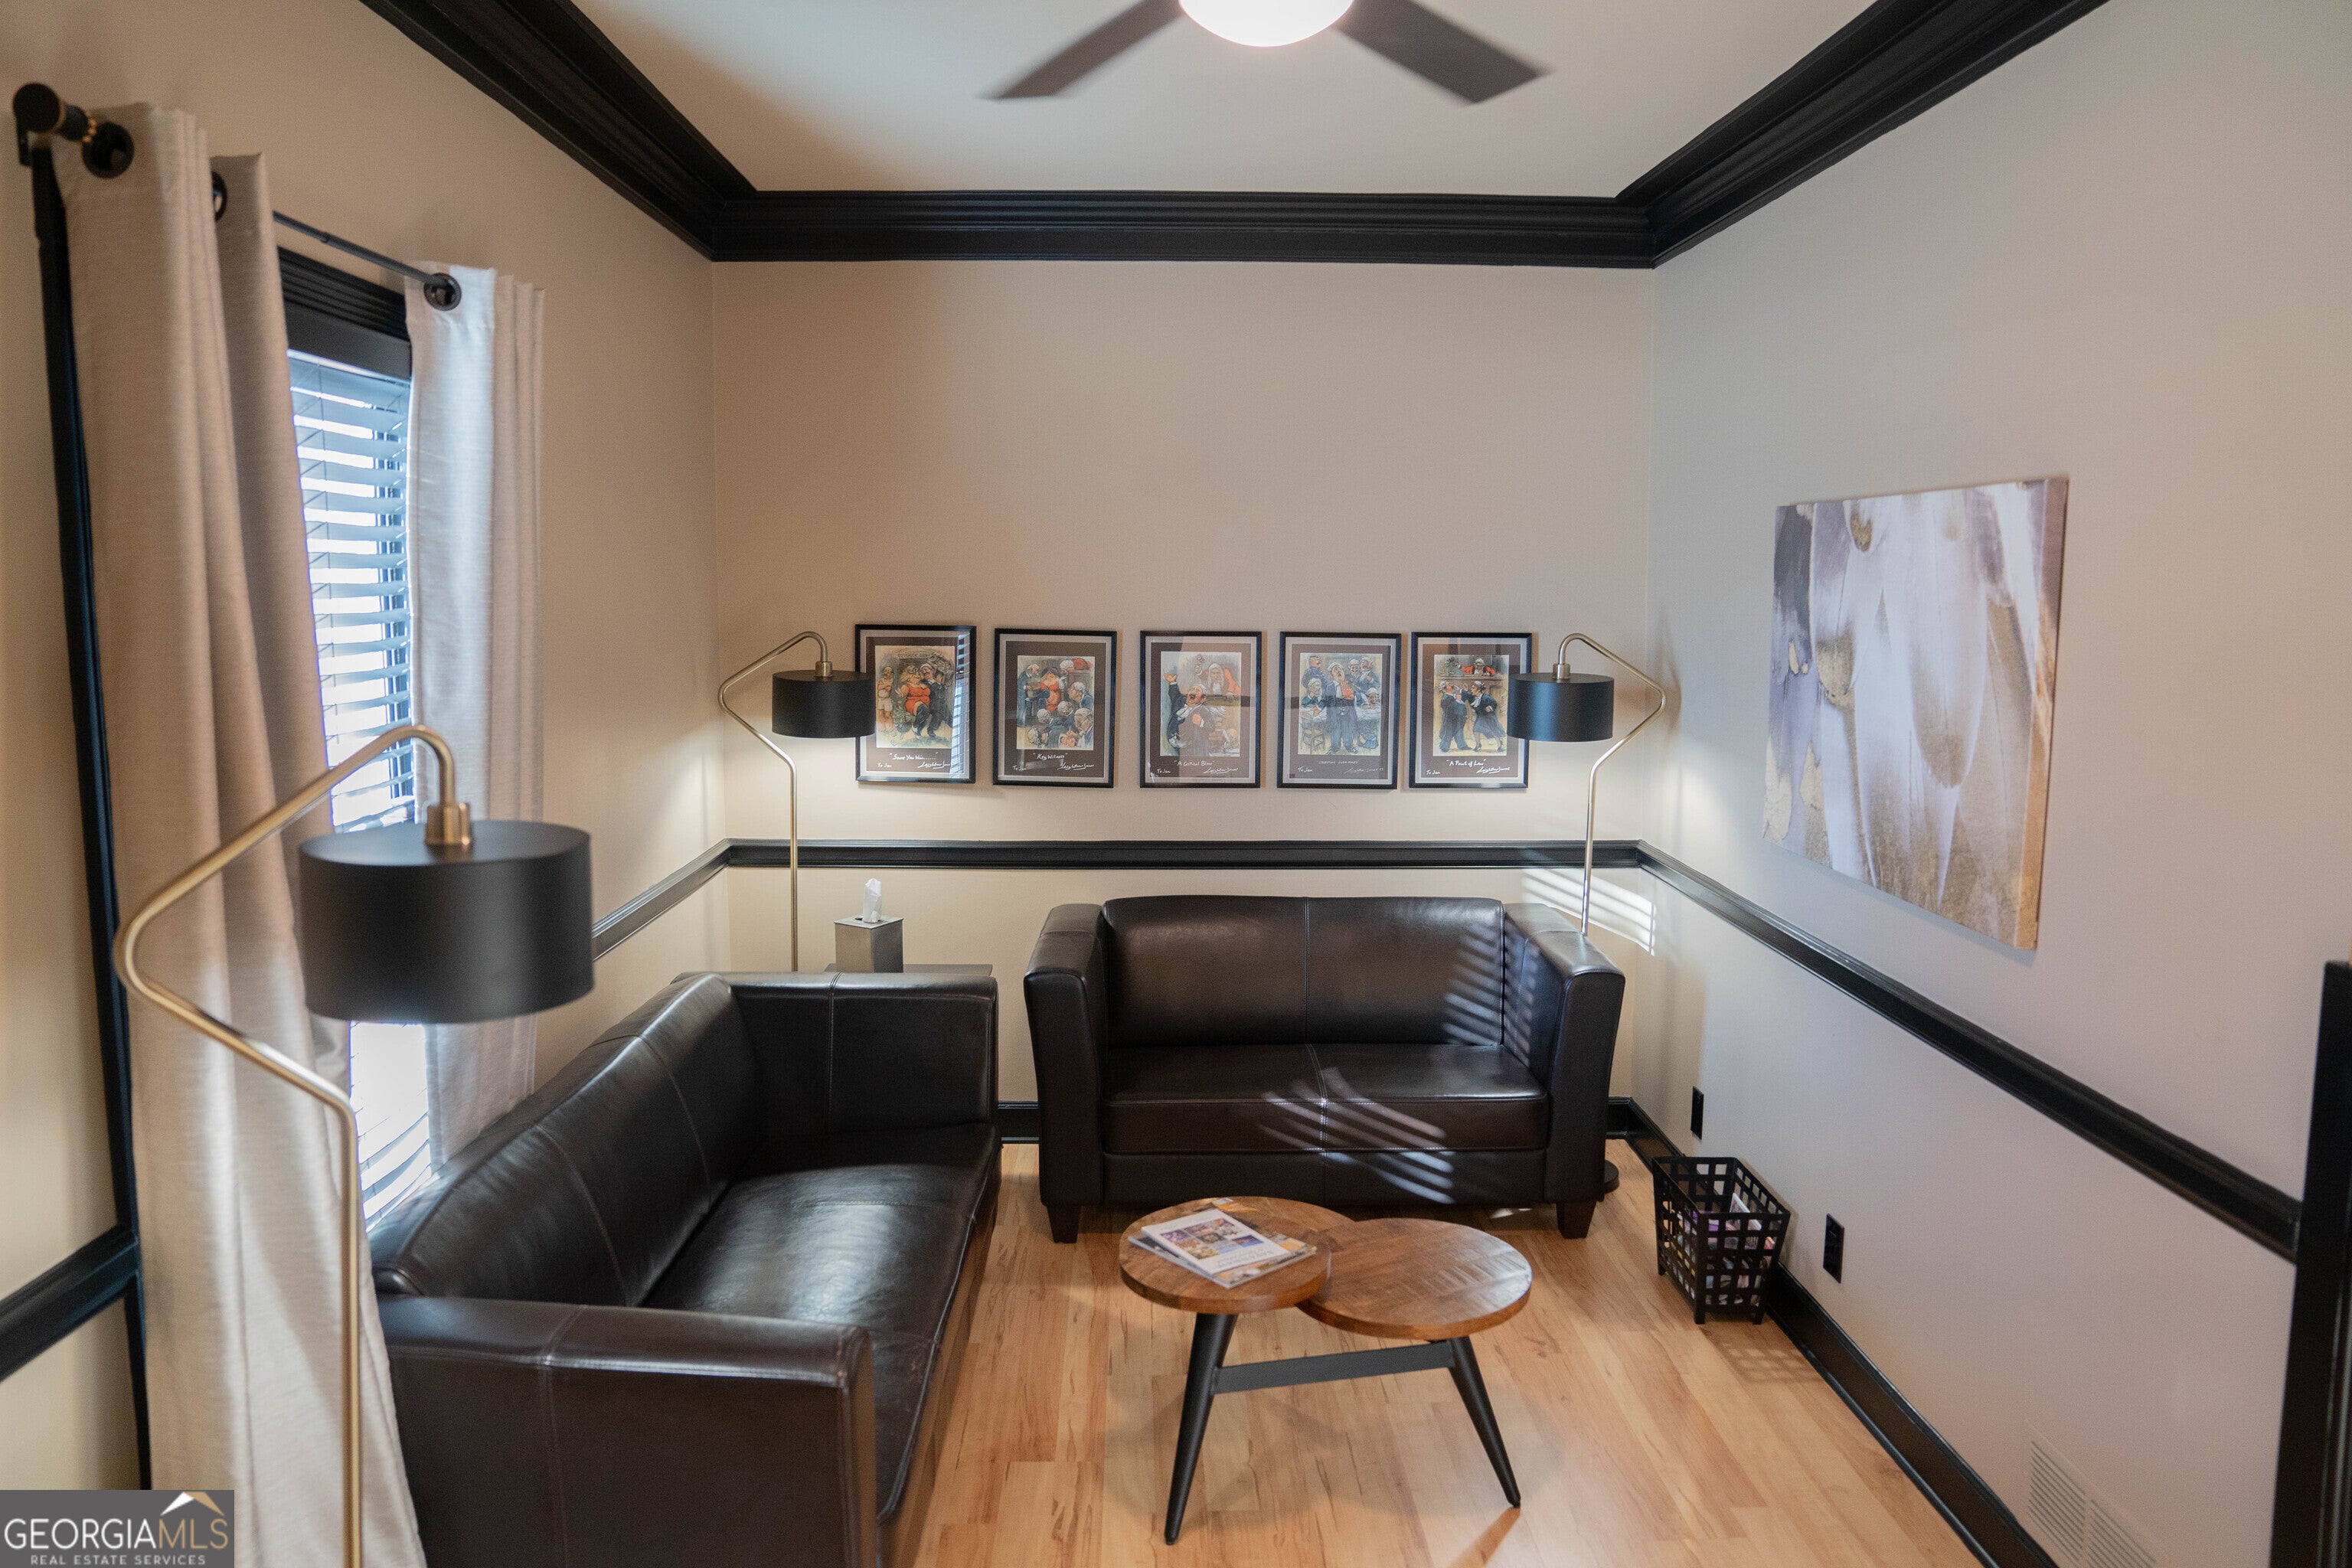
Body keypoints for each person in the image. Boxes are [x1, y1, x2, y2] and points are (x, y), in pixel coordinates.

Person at [1470, 681, 1504, 751]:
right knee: (1476, 730)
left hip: (1489, 717)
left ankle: (1499, 745)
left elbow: (1494, 703)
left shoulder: (1486, 697)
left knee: (1494, 731)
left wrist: (1490, 707)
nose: (1471, 690)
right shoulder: (1474, 699)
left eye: (1473, 688)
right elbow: (1476, 709)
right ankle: (1478, 745)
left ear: (1479, 690)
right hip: (1480, 717)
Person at [1437, 681, 1467, 753]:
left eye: (1451, 684)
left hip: (1456, 717)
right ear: (1445, 689)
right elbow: (1447, 708)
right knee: (1448, 732)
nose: (1452, 685)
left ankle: (1462, 745)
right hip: (1449, 718)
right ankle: (1444, 746)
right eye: (1449, 685)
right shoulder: (1446, 697)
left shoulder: (1453, 696)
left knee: (1459, 731)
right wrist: (1456, 701)